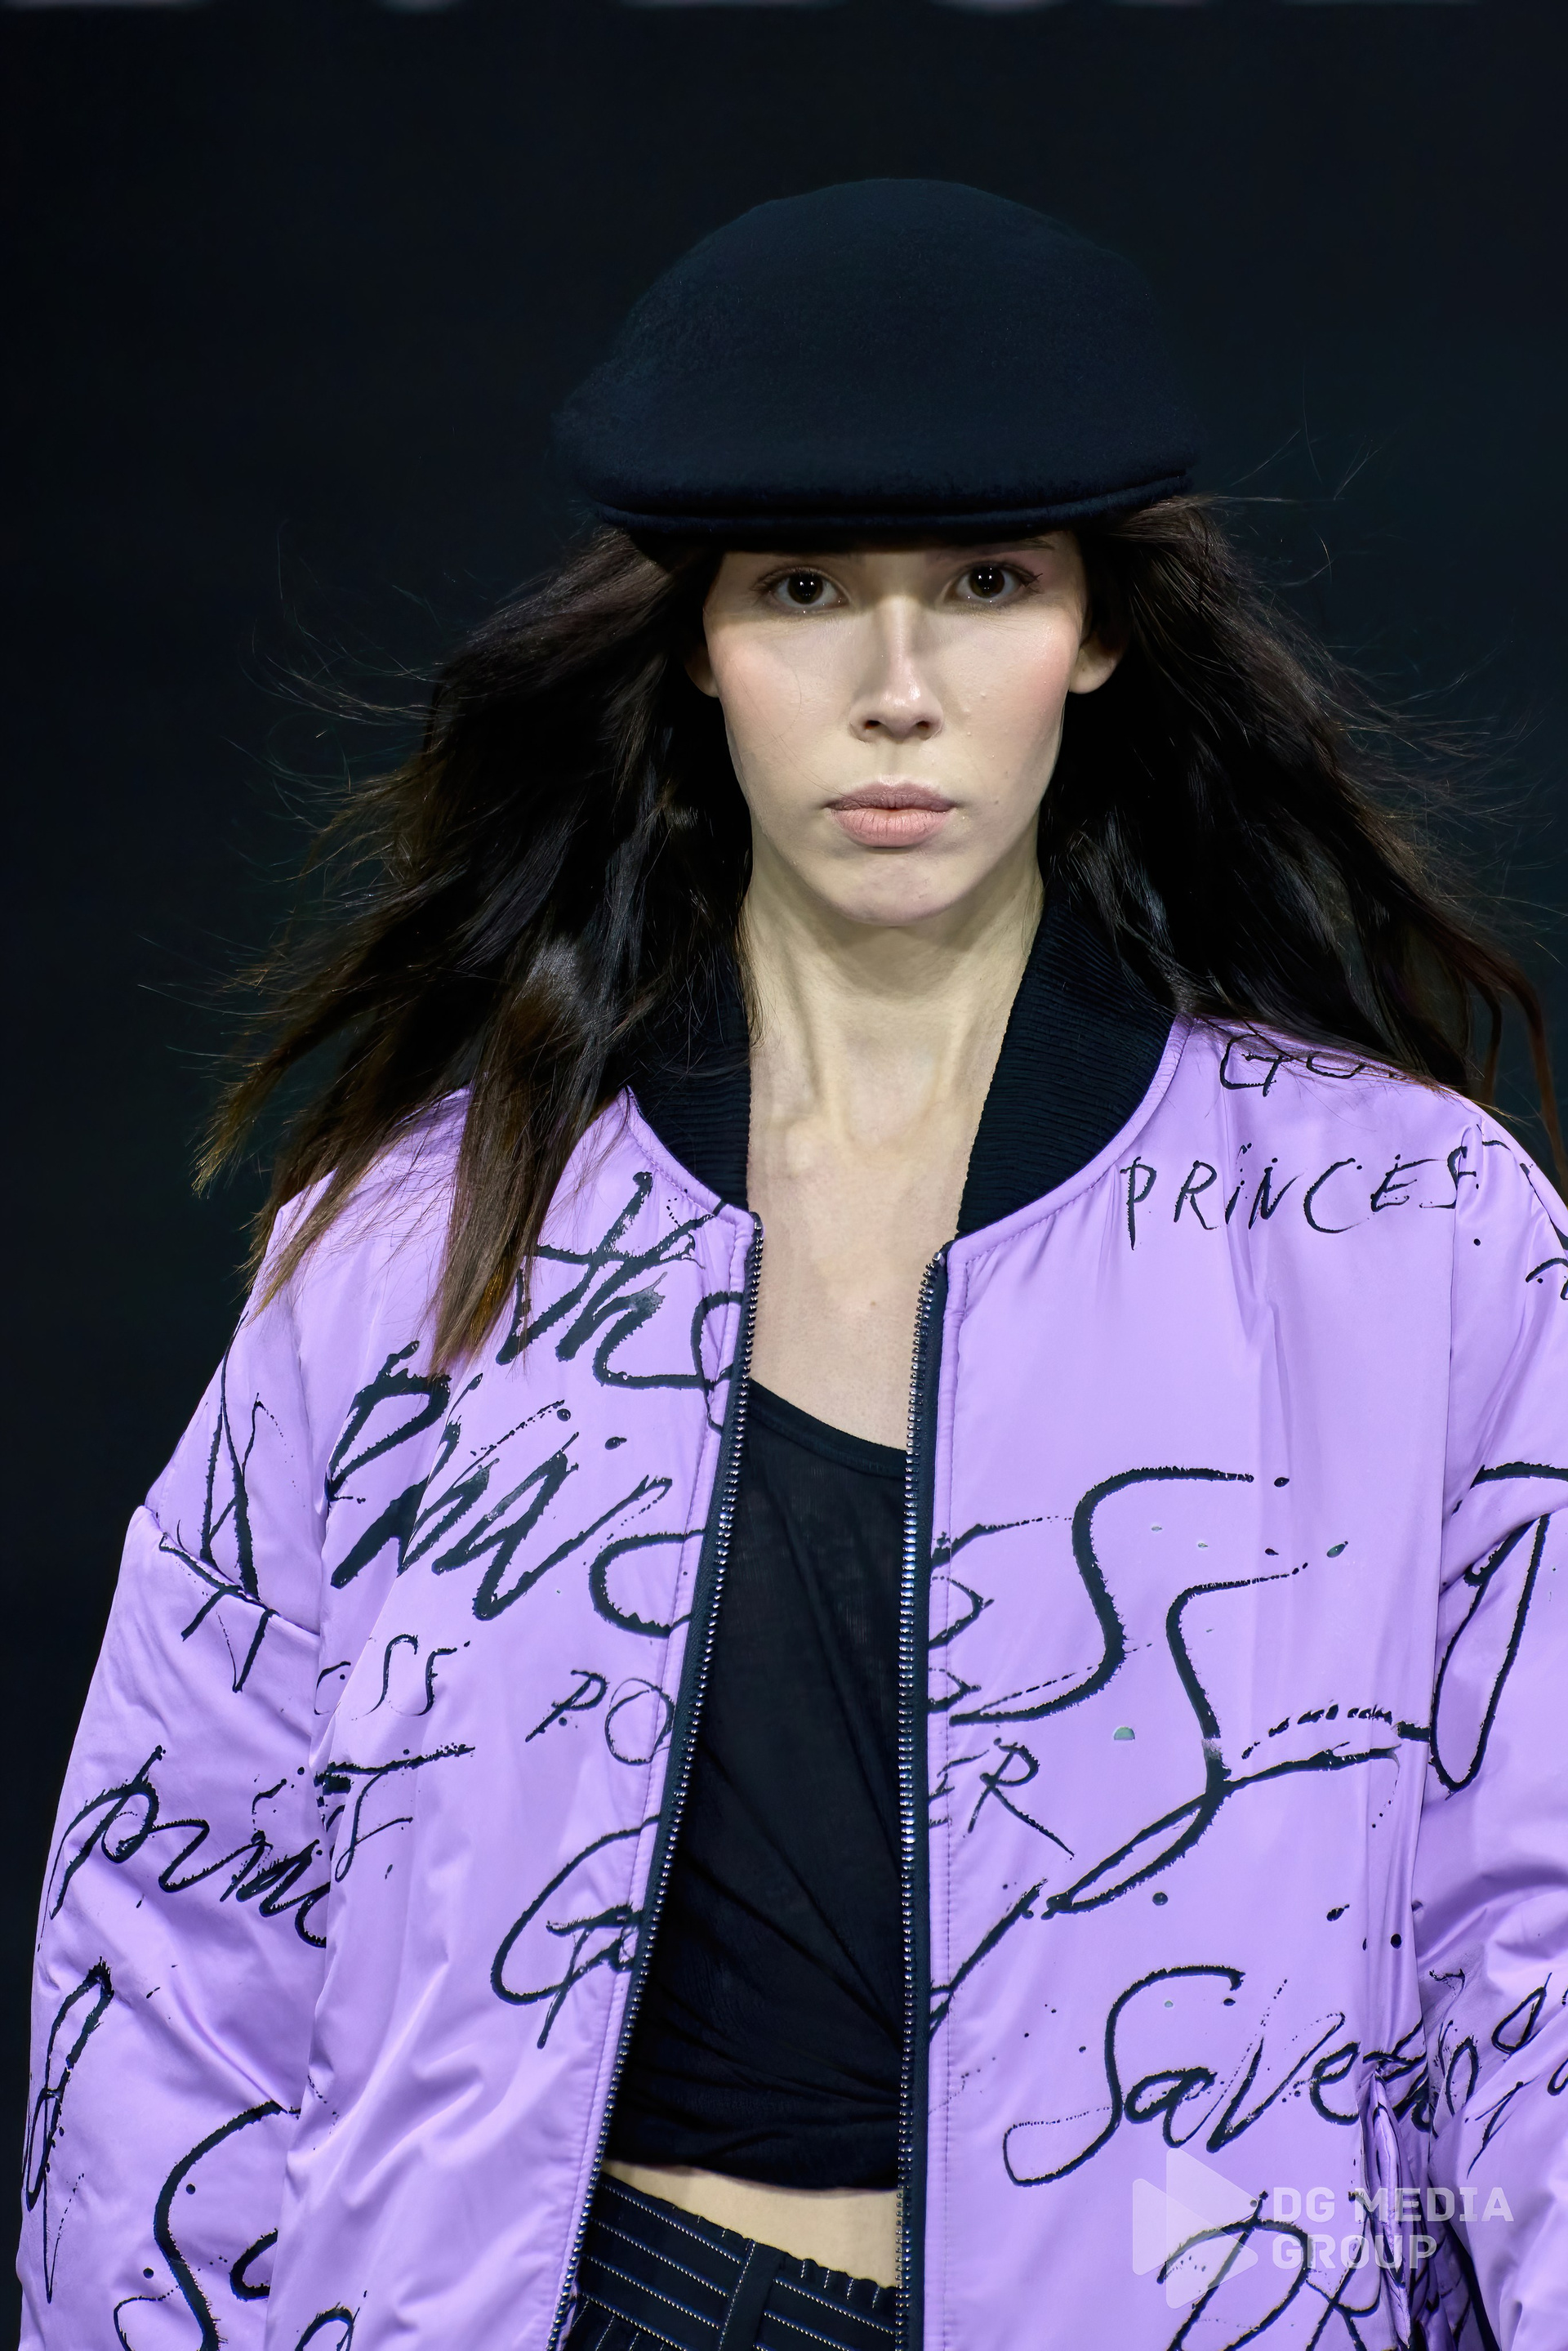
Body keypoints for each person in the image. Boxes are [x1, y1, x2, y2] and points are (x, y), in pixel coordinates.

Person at [20, 180, 1568, 2351]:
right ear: (698, 640)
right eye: (807, 589)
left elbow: (1537, 1942)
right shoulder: (411, 1254)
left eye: (988, 584)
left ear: (1098, 631)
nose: (897, 692)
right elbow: (175, 1944)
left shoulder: (1409, 1241)